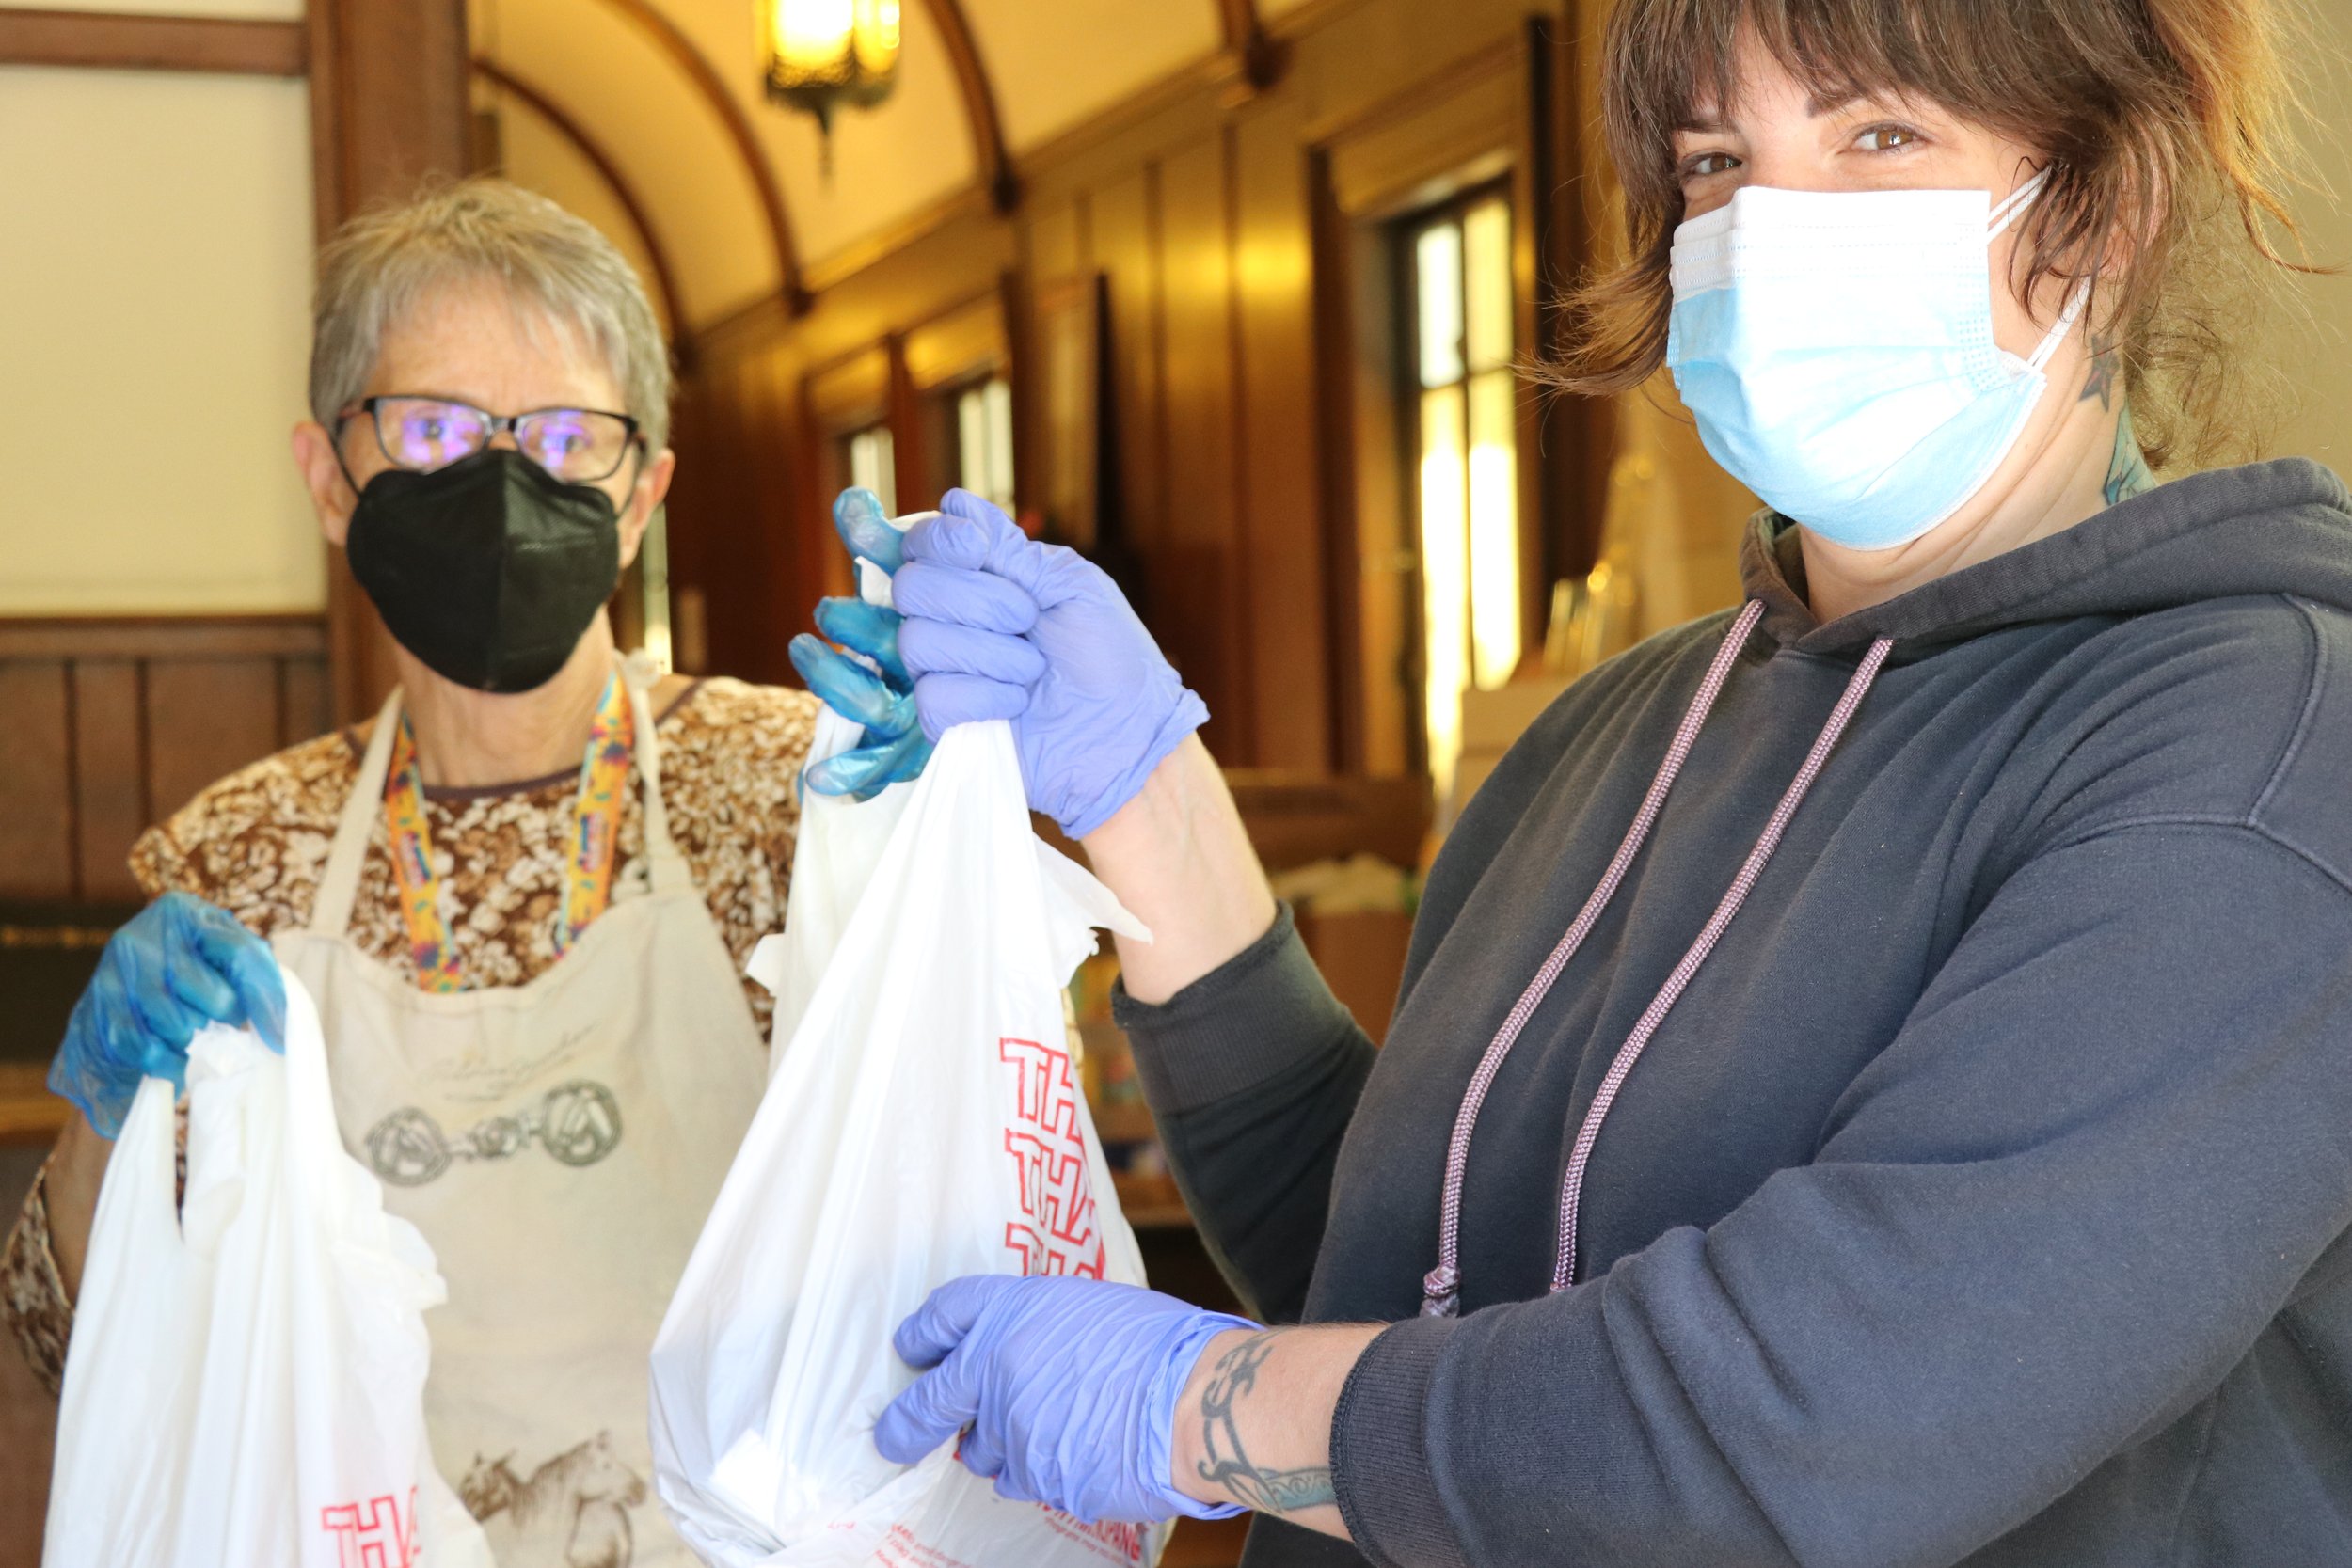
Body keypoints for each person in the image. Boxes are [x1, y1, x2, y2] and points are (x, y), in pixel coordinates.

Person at [796, 0, 2352, 1562]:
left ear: (2104, 208)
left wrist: (1207, 1404)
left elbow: (1817, 1426)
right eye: (1718, 159)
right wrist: (1143, 791)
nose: (1772, 223)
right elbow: (1387, 1282)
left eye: (1879, 134)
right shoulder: (1610, 733)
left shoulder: (2259, 750)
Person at [5, 179, 816, 1566]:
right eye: (435, 430)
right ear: (331, 481)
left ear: (638, 501)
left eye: (566, 436)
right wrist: (99, 1122)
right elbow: (76, 1344)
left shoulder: (786, 799)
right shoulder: (243, 859)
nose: (503, 484)